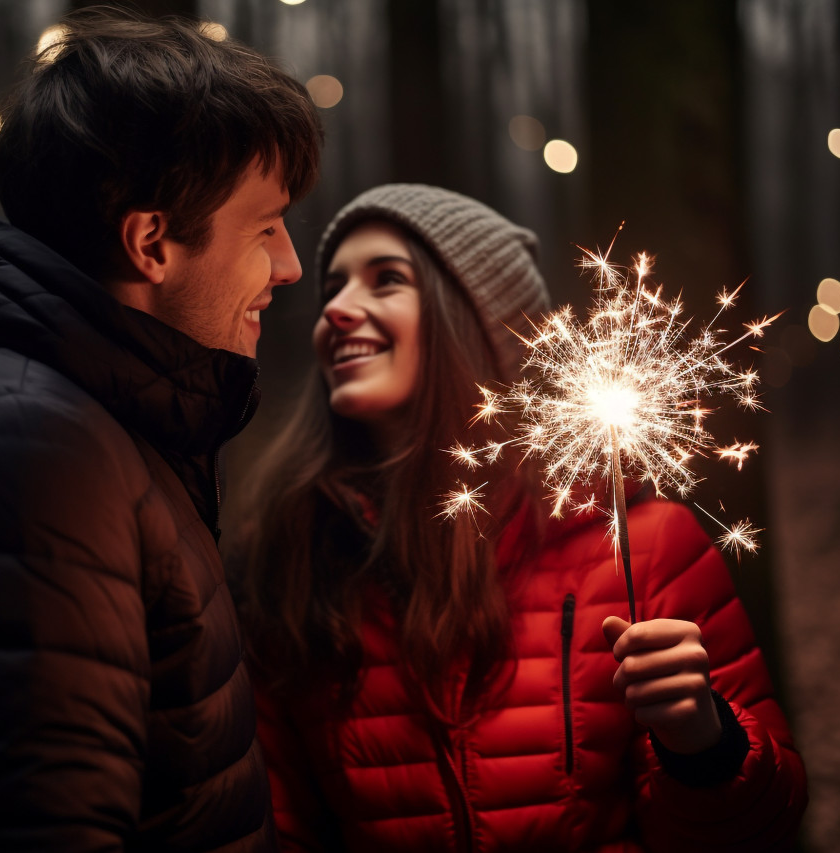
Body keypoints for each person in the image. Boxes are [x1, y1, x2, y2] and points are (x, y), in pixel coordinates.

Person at [0, 8, 321, 851]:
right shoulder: (12, 451)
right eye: (263, 228)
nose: (288, 265)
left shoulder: (83, 422)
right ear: (151, 242)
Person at [231, 184, 808, 851]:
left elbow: (767, 821)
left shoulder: (644, 546)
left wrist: (703, 743)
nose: (335, 308)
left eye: (387, 279)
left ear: (479, 324)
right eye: (332, 287)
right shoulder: (285, 555)